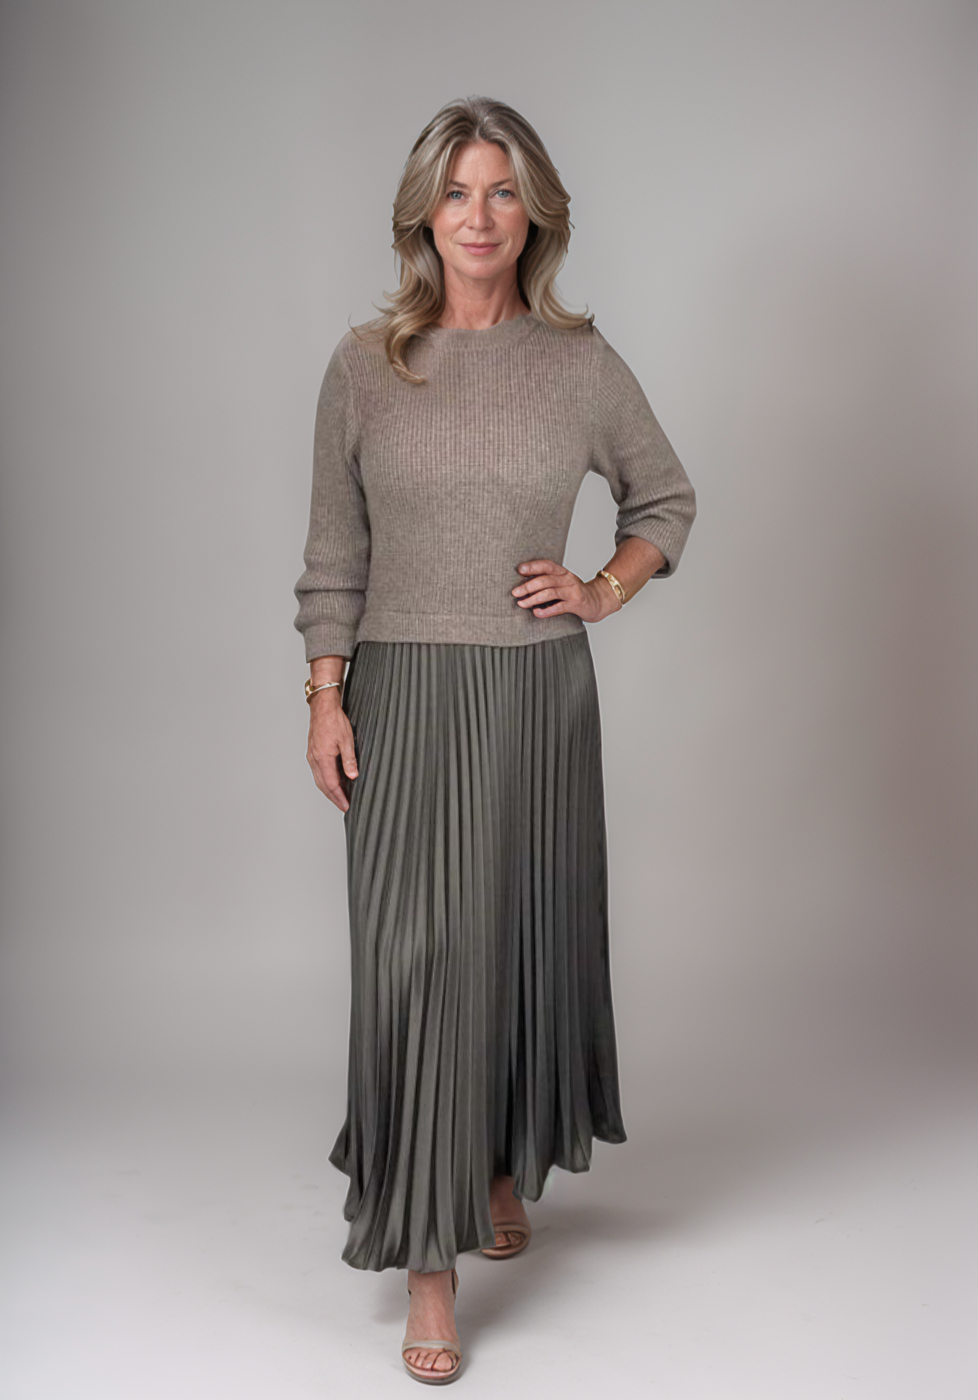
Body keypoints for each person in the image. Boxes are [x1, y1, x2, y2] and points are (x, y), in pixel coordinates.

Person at [293, 94, 696, 1384]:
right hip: (404, 698)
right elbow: (335, 553)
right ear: (424, 212)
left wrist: (600, 590)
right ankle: (429, 1263)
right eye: (459, 191)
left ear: (537, 214)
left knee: (516, 939)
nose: (480, 215)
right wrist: (326, 694)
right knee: (414, 965)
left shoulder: (578, 363)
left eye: (504, 190)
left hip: (533, 693)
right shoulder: (367, 364)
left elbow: (663, 499)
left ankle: (503, 1161)